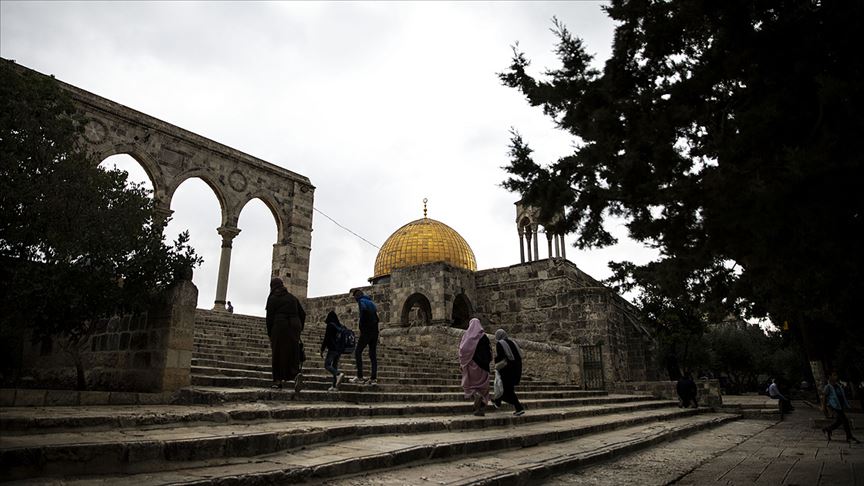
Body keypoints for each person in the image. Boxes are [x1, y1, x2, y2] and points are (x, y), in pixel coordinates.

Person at [265, 277, 306, 393]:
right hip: (294, 325)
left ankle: (277, 381)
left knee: (277, 353)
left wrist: (270, 333)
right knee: (293, 352)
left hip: (280, 325)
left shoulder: (272, 298)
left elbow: (269, 318)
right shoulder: (292, 298)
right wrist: (299, 328)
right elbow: (302, 314)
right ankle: (296, 374)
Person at [459, 318, 492, 416]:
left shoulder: (468, 336)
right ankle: (480, 409)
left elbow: (463, 350)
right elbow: (489, 351)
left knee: (472, 385)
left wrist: (463, 362)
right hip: (484, 367)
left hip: (472, 365)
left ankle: (476, 396)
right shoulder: (484, 337)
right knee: (484, 388)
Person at [492, 328, 525, 416]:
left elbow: (501, 357)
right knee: (505, 387)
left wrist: (496, 363)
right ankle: (497, 401)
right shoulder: (513, 342)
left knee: (508, 390)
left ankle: (519, 408)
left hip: (507, 370)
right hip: (516, 369)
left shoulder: (500, 343)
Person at [349, 290, 379, 385]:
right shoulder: (371, 302)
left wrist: (362, 326)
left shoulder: (361, 301)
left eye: (355, 297)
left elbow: (364, 311)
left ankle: (360, 377)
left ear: (357, 296)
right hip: (375, 331)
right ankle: (373, 378)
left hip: (367, 331)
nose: (355, 299)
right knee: (372, 355)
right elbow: (377, 317)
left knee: (358, 352)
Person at [822, 371, 861, 444]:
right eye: (834, 375)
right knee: (845, 420)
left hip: (840, 406)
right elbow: (824, 398)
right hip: (834, 406)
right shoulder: (828, 387)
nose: (836, 376)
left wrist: (847, 404)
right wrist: (824, 408)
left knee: (839, 421)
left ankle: (827, 429)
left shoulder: (838, 385)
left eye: (836, 375)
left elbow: (842, 396)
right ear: (829, 376)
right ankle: (849, 437)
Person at [320, 310, 346, 391]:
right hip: (339, 350)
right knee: (334, 366)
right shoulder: (340, 326)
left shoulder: (330, 325)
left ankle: (338, 374)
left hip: (332, 349)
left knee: (327, 365)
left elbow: (326, 338)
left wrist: (322, 349)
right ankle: (334, 386)